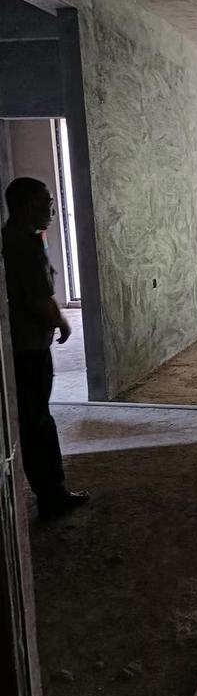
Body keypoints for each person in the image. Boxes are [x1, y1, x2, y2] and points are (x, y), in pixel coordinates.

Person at [2, 176, 89, 519]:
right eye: (47, 204)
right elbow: (40, 298)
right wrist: (63, 322)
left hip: (19, 346)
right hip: (29, 349)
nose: (53, 211)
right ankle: (52, 495)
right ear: (28, 207)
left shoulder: (10, 239)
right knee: (38, 420)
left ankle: (46, 490)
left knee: (30, 417)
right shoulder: (25, 245)